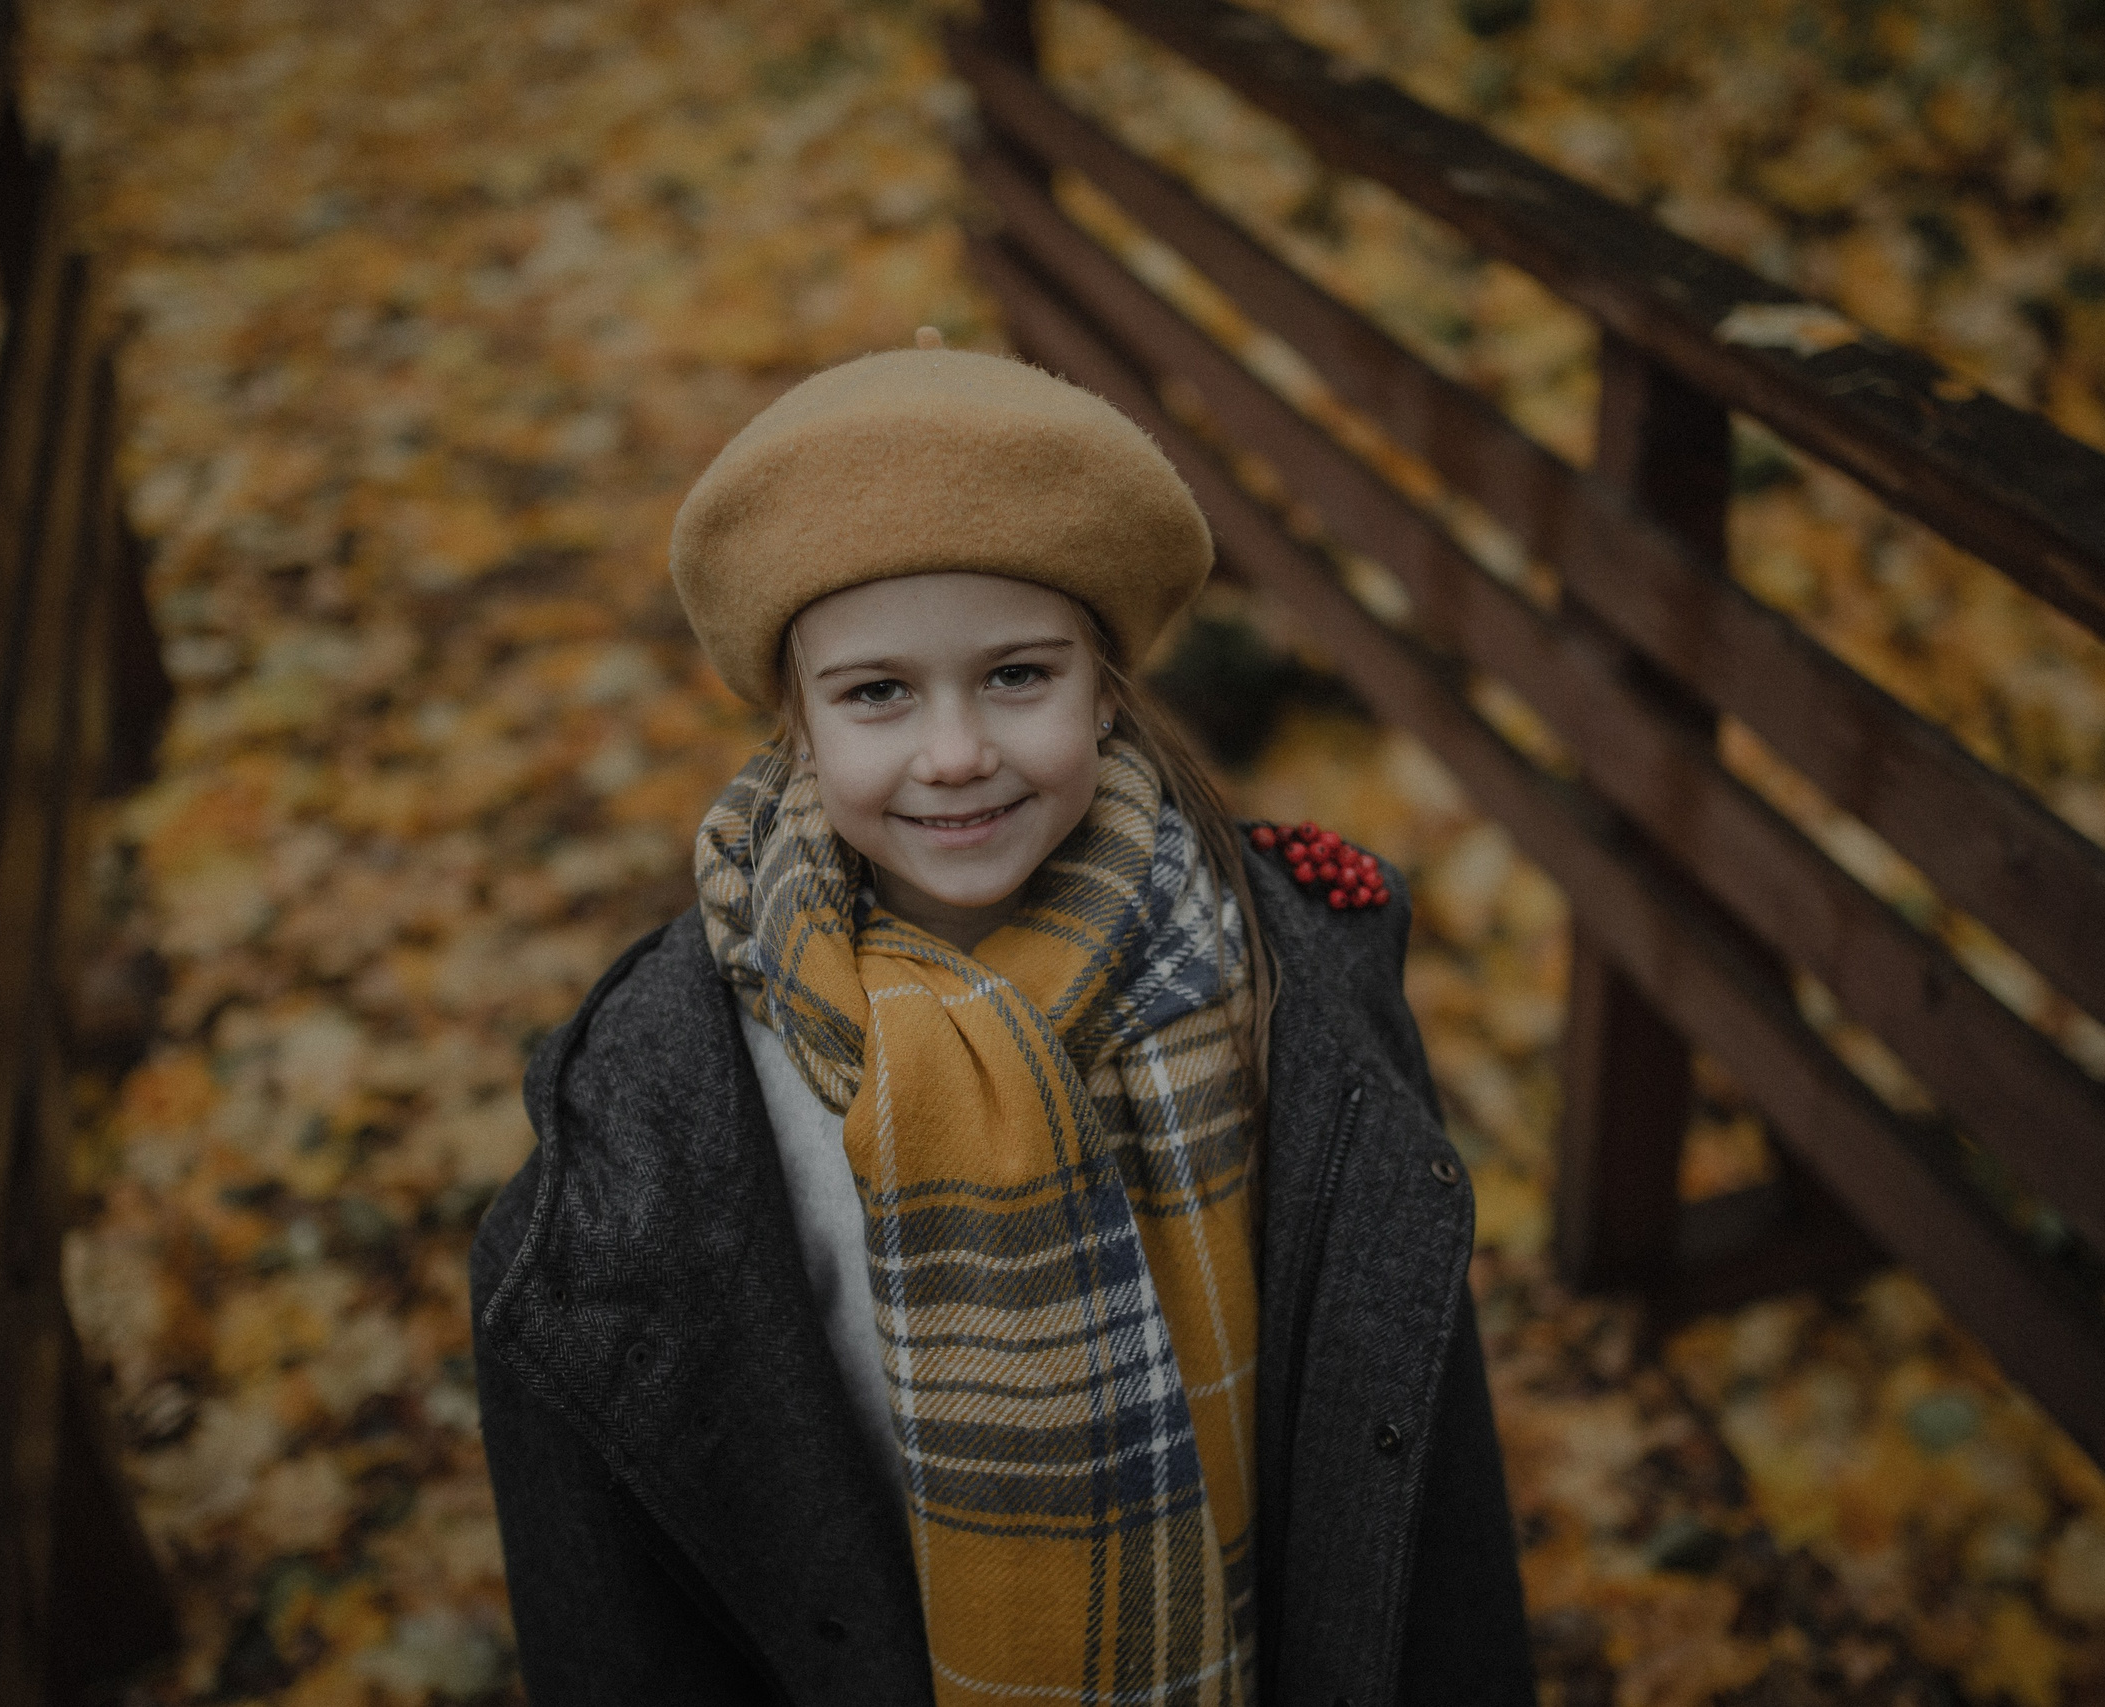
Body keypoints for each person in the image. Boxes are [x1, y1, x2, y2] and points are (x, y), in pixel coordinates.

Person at [472, 332, 1535, 1706]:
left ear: (1106, 688)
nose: (957, 750)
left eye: (1019, 676)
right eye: (878, 694)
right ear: (798, 723)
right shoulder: (665, 1114)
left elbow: (1421, 1479)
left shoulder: (1284, 978)